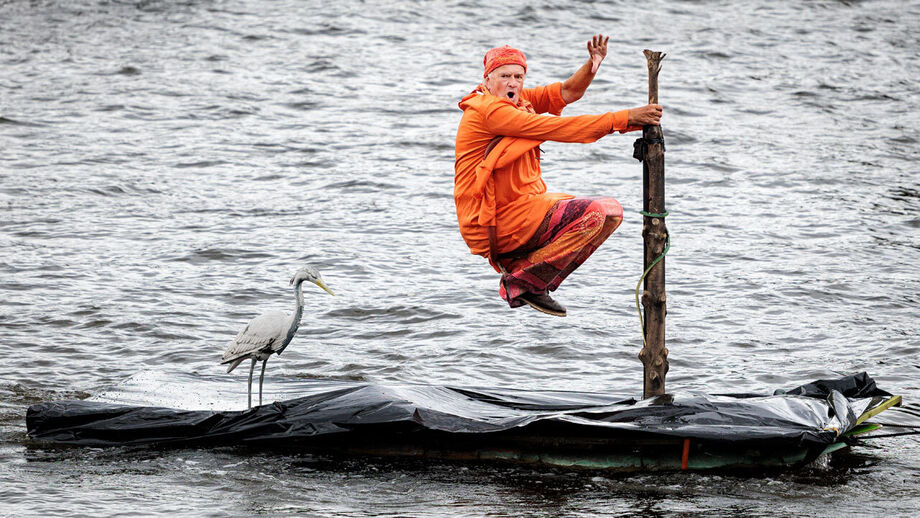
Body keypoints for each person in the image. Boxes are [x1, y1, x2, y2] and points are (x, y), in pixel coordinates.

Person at [454, 35, 662, 317]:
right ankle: (522, 281)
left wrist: (592, 65)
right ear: (487, 80)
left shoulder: (520, 102)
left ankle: (531, 280)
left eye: (518, 76)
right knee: (594, 213)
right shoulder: (489, 111)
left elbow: (567, 92)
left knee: (611, 213)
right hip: (492, 219)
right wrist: (624, 119)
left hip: (521, 207)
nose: (512, 82)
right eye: (504, 76)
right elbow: (557, 128)